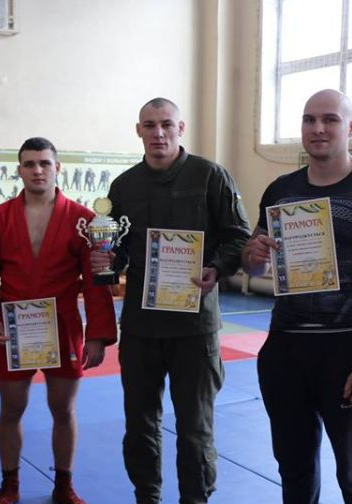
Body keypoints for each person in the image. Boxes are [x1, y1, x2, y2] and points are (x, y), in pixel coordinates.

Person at [242, 89, 352, 504]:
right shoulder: (280, 190)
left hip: (348, 346)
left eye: (330, 119)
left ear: (351, 127)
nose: (318, 128)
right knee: (294, 471)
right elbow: (254, 268)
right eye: (309, 119)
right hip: (286, 345)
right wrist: (251, 256)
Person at [91, 98, 251, 504]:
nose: (158, 133)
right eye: (149, 125)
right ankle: (147, 496)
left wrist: (217, 268)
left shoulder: (210, 176)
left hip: (194, 327)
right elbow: (118, 249)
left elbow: (238, 237)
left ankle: (195, 499)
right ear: (138, 130)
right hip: (141, 327)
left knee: (195, 428)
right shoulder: (124, 187)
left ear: (181, 128)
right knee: (139, 425)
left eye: (166, 124)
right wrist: (108, 260)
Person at [0, 137, 117, 504]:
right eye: (30, 164)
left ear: (57, 168)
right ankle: (9, 485)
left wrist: (98, 334)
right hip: (13, 325)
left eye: (44, 163)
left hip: (63, 324)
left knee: (63, 409)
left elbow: (96, 279)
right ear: (19, 170)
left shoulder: (84, 220)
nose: (37, 170)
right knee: (11, 408)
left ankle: (64, 484)